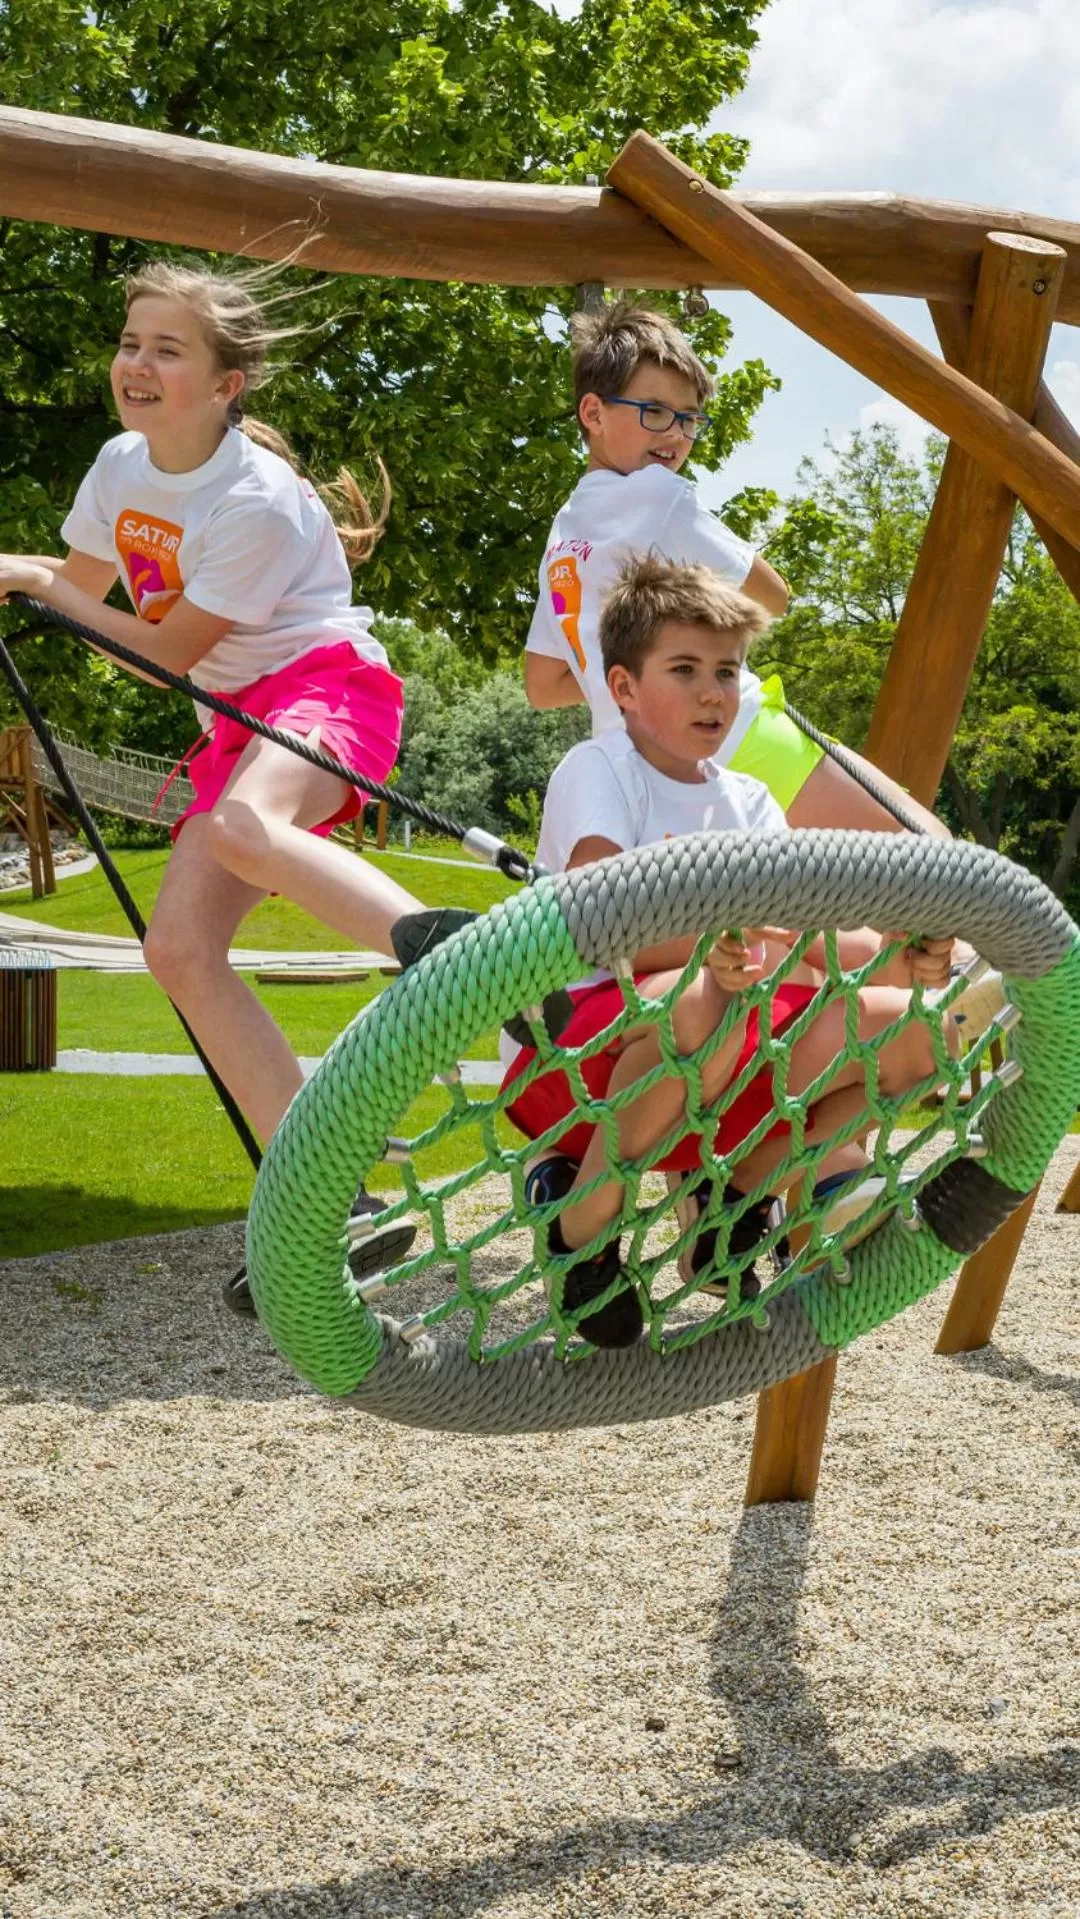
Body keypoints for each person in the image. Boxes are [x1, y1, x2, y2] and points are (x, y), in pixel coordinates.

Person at [0, 258, 472, 1288]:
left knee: (247, 827)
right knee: (176, 948)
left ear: (227, 383)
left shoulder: (254, 496)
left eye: (169, 349)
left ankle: (448, 957)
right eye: (132, 341)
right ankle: (337, 1198)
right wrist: (45, 585)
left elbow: (160, 651)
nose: (138, 363)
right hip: (236, 717)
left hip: (326, 689)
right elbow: (92, 604)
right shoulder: (119, 466)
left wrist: (34, 575)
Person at [502, 558, 1004, 1348]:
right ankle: (581, 1235)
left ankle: (737, 1192)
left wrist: (903, 951)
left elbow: (816, 930)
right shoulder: (600, 770)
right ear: (624, 689)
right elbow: (605, 918)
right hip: (591, 1053)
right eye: (686, 669)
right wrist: (718, 945)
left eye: (729, 671)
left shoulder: (747, 800)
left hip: (728, 1055)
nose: (713, 691)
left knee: (921, 1031)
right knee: (706, 996)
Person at [524, 301, 947, 837]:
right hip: (738, 731)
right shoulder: (659, 496)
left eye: (688, 419)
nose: (675, 435)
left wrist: (653, 673)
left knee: (777, 916)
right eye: (653, 411)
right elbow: (772, 596)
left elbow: (544, 684)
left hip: (643, 766)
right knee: (929, 852)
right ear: (593, 413)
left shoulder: (563, 541)